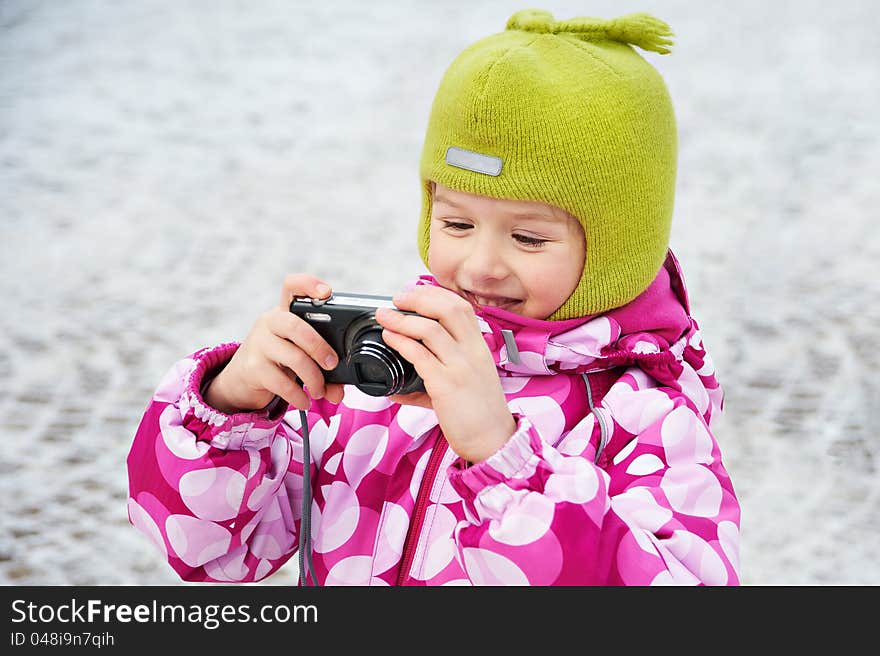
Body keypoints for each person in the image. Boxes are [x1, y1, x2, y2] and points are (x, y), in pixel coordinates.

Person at [127, 8, 741, 585]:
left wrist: (504, 458)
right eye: (455, 224)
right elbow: (213, 555)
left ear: (616, 249)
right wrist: (231, 407)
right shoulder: (384, 373)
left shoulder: (646, 418)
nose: (480, 264)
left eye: (528, 237)